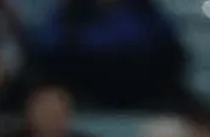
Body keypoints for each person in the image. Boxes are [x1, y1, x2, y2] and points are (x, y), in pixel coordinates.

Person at [27, 0, 187, 113]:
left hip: (141, 96)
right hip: (81, 97)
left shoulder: (145, 13)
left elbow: (172, 56)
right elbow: (45, 51)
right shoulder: (70, 15)